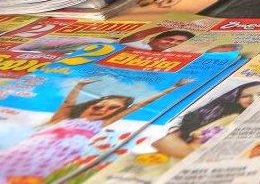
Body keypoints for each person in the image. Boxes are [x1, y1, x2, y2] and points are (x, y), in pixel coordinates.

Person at [0, 77, 191, 181]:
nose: (104, 109)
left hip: (57, 158)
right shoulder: (63, 118)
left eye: (113, 108)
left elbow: (140, 105)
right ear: (92, 104)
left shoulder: (101, 124)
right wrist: (79, 85)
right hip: (27, 150)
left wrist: (173, 87)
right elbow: (68, 102)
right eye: (101, 105)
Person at [154, 81, 260, 158]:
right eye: (246, 96)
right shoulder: (220, 116)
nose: (254, 99)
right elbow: (165, 142)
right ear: (236, 99)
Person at [121, 30, 195, 52]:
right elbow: (136, 36)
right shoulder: (136, 44)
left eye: (180, 41)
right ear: (153, 38)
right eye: (169, 39)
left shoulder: (168, 52)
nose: (173, 43)